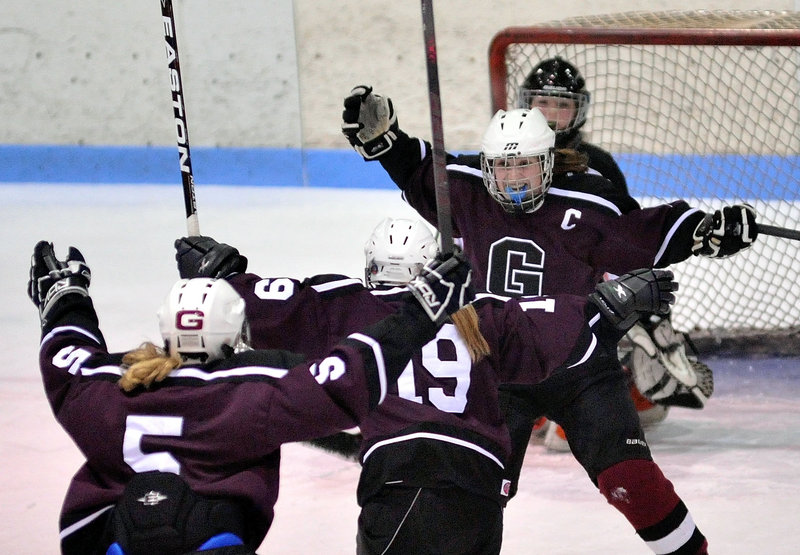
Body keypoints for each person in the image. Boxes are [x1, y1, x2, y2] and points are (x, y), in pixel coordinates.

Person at [341, 87, 759, 553]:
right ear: (486, 167)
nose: (513, 180)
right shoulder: (468, 192)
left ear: (548, 161)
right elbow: (418, 165)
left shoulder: (589, 204)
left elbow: (644, 233)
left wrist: (705, 231)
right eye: (502, 167)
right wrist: (383, 140)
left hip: (578, 364)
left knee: (632, 481)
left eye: (524, 166)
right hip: (495, 371)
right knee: (472, 489)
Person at [174, 221, 707, 555]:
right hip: (480, 484)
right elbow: (556, 320)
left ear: (370, 272)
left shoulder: (348, 305)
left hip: (406, 476)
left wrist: (220, 273)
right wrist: (609, 303)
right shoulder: (480, 316)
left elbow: (264, 304)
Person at [28, 239, 471, 555]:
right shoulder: (252, 393)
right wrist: (421, 311)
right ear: (233, 331)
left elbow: (66, 352)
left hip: (112, 541)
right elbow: (348, 374)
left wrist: (65, 296)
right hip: (212, 541)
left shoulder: (108, 387)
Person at [515, 56, 716, 446]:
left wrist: (644, 306)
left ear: (580, 111)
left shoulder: (599, 165)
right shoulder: (509, 162)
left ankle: (615, 383)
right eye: (543, 104)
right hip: (523, 286)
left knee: (625, 303)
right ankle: (532, 392)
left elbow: (627, 241)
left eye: (562, 105)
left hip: (579, 287)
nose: (552, 116)